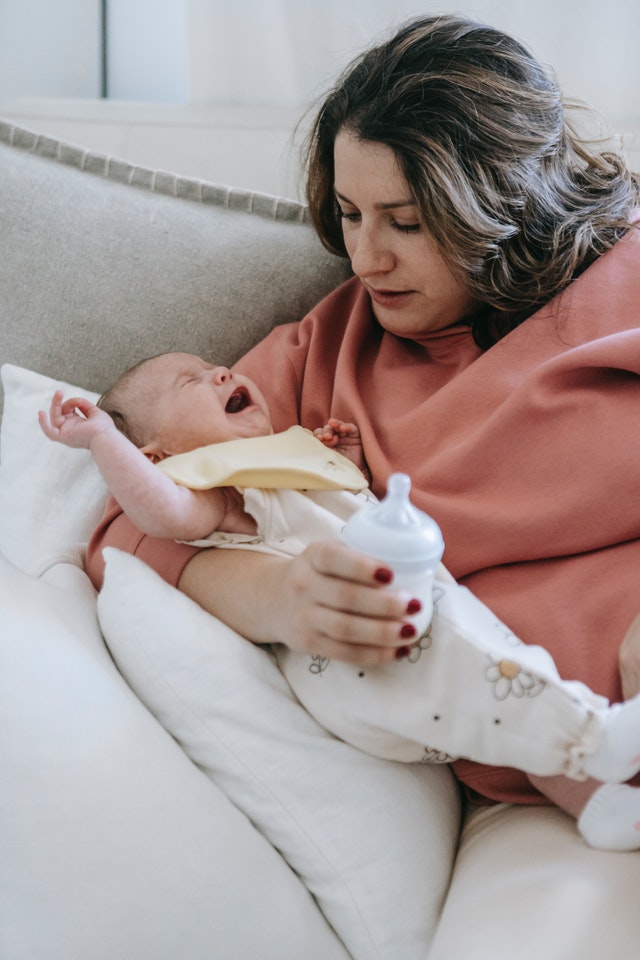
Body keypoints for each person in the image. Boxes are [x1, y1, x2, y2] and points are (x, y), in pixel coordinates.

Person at [76, 12, 640, 947]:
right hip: (542, 763)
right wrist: (284, 598)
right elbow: (131, 519)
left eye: (408, 223)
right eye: (348, 214)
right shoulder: (327, 351)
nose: (366, 256)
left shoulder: (621, 286)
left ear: (504, 200)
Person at [40, 351, 640, 849]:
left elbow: (336, 513)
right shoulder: (217, 490)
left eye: (215, 366)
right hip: (358, 653)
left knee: (504, 707)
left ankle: (596, 807)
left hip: (401, 671)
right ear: (160, 458)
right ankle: (598, 732)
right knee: (485, 664)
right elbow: (159, 512)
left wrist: (340, 464)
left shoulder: (282, 465)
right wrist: (102, 440)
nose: (220, 373)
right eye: (191, 382)